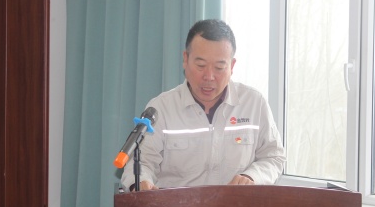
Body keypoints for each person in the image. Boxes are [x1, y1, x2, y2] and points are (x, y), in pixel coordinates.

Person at [121, 19, 285, 191]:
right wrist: (141, 183)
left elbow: (274, 157)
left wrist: (252, 177)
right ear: (185, 59)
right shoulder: (161, 108)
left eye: (219, 67)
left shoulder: (254, 104)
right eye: (201, 65)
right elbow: (142, 162)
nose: (209, 76)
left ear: (232, 66)